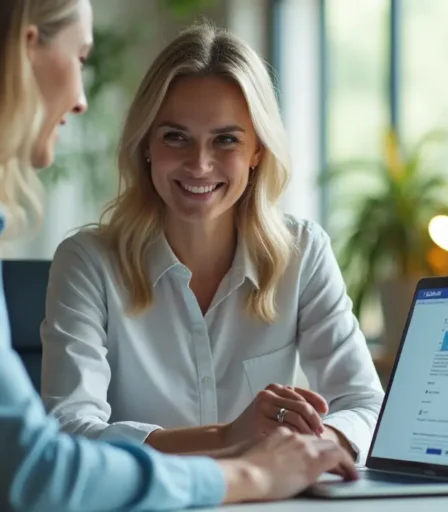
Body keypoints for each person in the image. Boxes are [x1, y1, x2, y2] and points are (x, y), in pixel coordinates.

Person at [0, 1, 356, 510]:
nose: (82, 98)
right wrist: (250, 475)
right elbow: (33, 470)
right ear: (24, 48)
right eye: (81, 57)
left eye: (227, 140)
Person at [40, 23, 385, 463]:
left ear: (258, 150)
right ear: (146, 144)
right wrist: (226, 439)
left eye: (226, 140)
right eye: (176, 137)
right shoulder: (88, 262)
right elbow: (69, 431)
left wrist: (305, 449)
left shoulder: (303, 251)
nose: (199, 164)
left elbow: (366, 406)